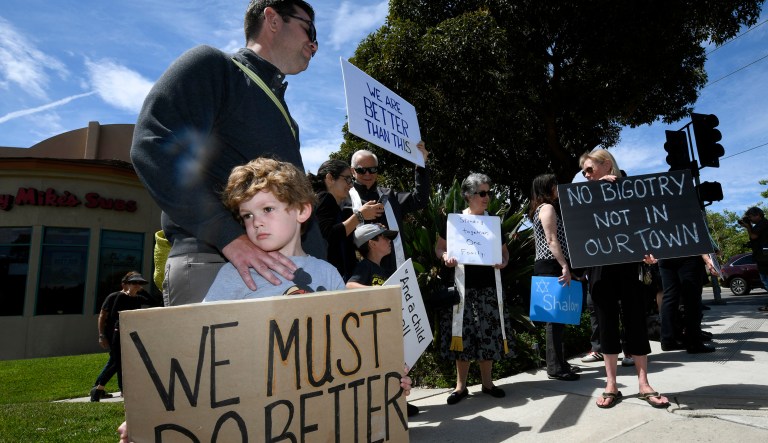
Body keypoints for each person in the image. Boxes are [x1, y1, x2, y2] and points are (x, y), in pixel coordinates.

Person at [130, 0, 324, 307]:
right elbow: (152, 144)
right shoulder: (214, 66)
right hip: (217, 265)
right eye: (308, 29)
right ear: (272, 19)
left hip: (284, 278)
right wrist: (230, 238)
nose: (314, 45)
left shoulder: (289, 120)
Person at [579, 149, 669, 409]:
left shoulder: (631, 189)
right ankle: (611, 384)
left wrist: (651, 253)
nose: (586, 175)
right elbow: (579, 228)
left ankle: (644, 384)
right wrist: (597, 193)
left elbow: (646, 224)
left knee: (635, 321)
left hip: (629, 266)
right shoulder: (585, 195)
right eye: (584, 171)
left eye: (589, 169)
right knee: (606, 324)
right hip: (600, 268)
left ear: (606, 165)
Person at [204, 158, 345, 300]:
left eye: (267, 209)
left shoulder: (328, 273)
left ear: (302, 211)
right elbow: (204, 320)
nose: (256, 222)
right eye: (248, 215)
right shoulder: (237, 273)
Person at [435, 173, 512, 405]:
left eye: (488, 192)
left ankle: (487, 384)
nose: (487, 197)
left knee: (487, 335)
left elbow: (505, 251)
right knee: (464, 336)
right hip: (463, 288)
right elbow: (439, 249)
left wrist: (504, 261)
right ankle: (461, 387)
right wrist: (445, 256)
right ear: (468, 196)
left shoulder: (493, 223)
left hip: (488, 288)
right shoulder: (455, 222)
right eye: (482, 193)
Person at [349, 141, 429, 275]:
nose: (368, 174)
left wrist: (421, 165)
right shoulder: (346, 198)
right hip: (362, 275)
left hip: (395, 269)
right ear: (352, 171)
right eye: (361, 170)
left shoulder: (389, 195)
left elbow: (420, 199)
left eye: (372, 169)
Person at [529, 174, 581, 381]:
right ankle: (555, 367)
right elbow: (551, 240)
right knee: (555, 319)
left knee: (559, 317)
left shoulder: (539, 209)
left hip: (547, 264)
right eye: (555, 185)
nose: (558, 188)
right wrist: (564, 266)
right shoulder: (547, 208)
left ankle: (560, 362)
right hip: (551, 264)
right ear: (548, 187)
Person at [309, 159, 382, 281]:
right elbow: (329, 236)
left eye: (351, 180)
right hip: (332, 278)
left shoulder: (329, 203)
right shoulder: (324, 198)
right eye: (347, 179)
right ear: (330, 178)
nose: (351, 184)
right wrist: (360, 216)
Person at [90, 272, 158, 401]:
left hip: (130, 334)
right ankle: (98, 389)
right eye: (134, 283)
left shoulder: (138, 298)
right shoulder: (118, 296)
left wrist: (142, 291)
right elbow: (110, 315)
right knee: (116, 362)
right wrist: (102, 335)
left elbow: (154, 303)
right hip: (116, 333)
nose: (137, 285)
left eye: (139, 283)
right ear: (125, 284)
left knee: (120, 362)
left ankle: (110, 390)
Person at [658, 253, 718, 353]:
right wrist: (706, 257)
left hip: (665, 254)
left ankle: (667, 340)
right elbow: (697, 237)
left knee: (669, 297)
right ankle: (694, 342)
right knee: (692, 298)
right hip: (688, 254)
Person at [346, 224, 399, 289]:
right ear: (372, 244)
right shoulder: (365, 265)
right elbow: (349, 286)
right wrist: (374, 289)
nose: (389, 240)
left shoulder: (383, 270)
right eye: (384, 237)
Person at [739, 207, 768, 310]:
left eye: (750, 216)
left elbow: (753, 236)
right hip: (762, 257)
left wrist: (748, 227)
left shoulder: (763, 224)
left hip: (765, 258)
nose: (749, 219)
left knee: (766, 281)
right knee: (765, 280)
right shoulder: (760, 224)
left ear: (758, 215)